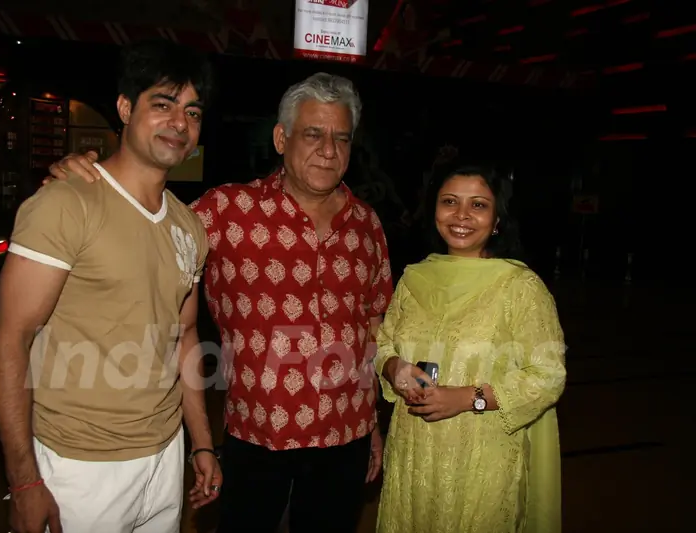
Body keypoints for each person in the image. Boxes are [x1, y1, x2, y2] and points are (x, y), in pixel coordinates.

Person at [47, 72, 392, 533]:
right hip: (256, 436)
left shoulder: (367, 225)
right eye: (313, 134)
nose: (329, 150)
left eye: (341, 138)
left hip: (345, 435)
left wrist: (371, 424)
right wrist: (87, 178)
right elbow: (146, 223)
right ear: (280, 137)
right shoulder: (228, 211)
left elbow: (372, 326)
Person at [0, 40, 222, 533]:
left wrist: (200, 442)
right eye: (162, 104)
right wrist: (25, 480)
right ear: (123, 108)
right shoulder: (66, 204)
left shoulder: (190, 227)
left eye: (192, 112)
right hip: (79, 465)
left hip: (164, 456)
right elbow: (10, 339)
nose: (180, 124)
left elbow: (183, 337)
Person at [374, 163, 566, 533]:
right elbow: (383, 342)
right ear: (434, 211)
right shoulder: (414, 278)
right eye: (450, 202)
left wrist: (467, 398)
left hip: (481, 459)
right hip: (413, 452)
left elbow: (548, 376)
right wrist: (394, 366)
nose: (461, 215)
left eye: (478, 205)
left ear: (497, 219)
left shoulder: (519, 287)